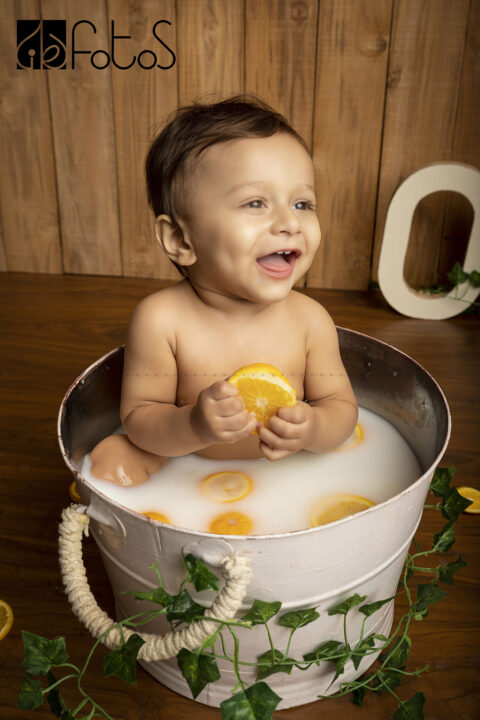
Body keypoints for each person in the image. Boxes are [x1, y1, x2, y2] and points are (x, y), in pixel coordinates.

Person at [90, 95, 358, 486]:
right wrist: (193, 424)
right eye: (256, 203)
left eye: (302, 203)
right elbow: (140, 419)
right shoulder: (162, 320)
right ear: (180, 238)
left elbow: (343, 408)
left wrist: (315, 428)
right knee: (111, 461)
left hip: (282, 479)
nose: (289, 223)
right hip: (190, 471)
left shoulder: (310, 320)